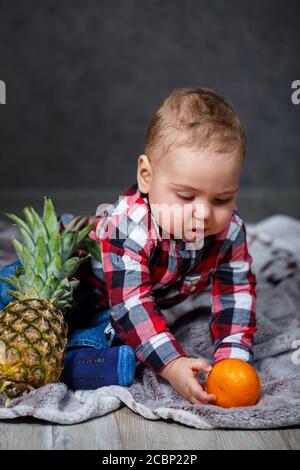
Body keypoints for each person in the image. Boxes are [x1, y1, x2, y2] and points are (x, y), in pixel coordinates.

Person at [0, 87, 257, 404]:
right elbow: (131, 304)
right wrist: (173, 365)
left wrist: (232, 360)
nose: (203, 213)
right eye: (186, 196)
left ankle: (77, 364)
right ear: (146, 176)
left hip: (112, 309)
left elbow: (236, 296)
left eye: (222, 199)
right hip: (70, 281)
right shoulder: (129, 226)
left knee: (129, 337)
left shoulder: (229, 231)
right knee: (12, 287)